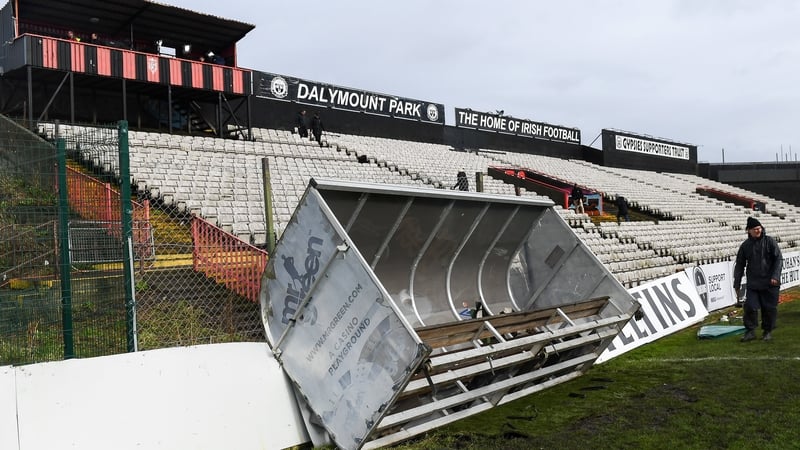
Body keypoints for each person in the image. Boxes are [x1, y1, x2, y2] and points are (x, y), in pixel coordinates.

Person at [733, 217, 782, 342]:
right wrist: (737, 282)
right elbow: (739, 264)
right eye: (755, 229)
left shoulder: (770, 241)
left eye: (759, 228)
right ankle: (750, 331)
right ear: (748, 231)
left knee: (769, 308)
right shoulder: (745, 246)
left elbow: (778, 259)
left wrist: (775, 276)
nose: (758, 231)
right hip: (753, 283)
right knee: (750, 306)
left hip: (770, 283)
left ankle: (767, 332)